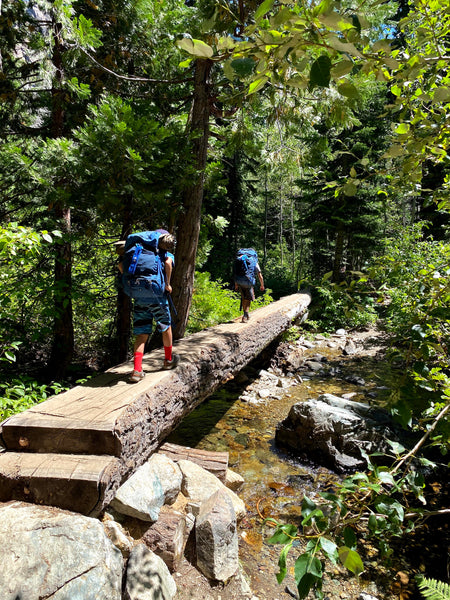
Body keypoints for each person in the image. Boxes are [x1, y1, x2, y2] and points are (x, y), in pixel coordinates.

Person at [116, 231, 179, 382]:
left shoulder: (136, 249)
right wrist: (167, 284)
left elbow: (120, 265)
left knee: (141, 332)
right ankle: (168, 360)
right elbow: (168, 263)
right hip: (156, 295)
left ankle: (137, 370)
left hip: (139, 296)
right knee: (165, 326)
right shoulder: (163, 252)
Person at [234, 252, 264, 323]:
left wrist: (236, 284)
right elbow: (260, 276)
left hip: (239, 282)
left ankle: (246, 314)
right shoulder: (254, 262)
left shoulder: (239, 262)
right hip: (248, 282)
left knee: (244, 298)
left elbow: (236, 273)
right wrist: (262, 285)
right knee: (248, 299)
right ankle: (245, 316)